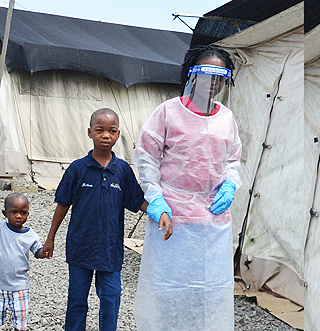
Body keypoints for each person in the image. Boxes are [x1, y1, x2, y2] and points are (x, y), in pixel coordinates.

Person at [133, 45, 242, 331]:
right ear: (192, 76)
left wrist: (230, 184)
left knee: (210, 290)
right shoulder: (168, 112)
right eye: (207, 76)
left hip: (213, 220)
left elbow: (232, 159)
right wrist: (155, 200)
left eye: (220, 78)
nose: (213, 84)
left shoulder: (226, 118)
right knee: (169, 287)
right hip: (174, 215)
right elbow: (146, 157)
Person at [42, 108, 167, 331]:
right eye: (100, 130)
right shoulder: (77, 169)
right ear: (90, 132)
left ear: (118, 134)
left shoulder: (123, 171)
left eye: (112, 131)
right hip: (80, 247)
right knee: (77, 301)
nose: (106, 135)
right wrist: (50, 238)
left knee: (111, 298)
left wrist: (161, 213)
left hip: (110, 250)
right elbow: (62, 204)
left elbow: (137, 201)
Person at [0, 192, 46, 331]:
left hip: (20, 287)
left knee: (20, 321)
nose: (19, 216)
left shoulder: (30, 235)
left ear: (28, 214)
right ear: (5, 213)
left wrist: (46, 250)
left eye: (23, 212)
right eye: (14, 212)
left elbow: (38, 252)